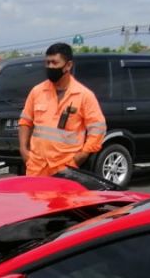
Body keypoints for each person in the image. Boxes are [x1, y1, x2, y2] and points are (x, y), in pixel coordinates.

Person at [17, 42, 106, 178]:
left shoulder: (84, 95)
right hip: (37, 167)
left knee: (63, 200)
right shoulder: (37, 91)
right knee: (36, 199)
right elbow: (25, 122)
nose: (50, 67)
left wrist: (82, 155)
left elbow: (98, 128)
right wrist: (24, 150)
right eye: (47, 63)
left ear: (68, 65)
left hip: (66, 168)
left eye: (54, 63)